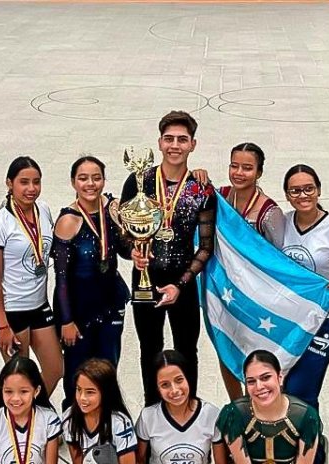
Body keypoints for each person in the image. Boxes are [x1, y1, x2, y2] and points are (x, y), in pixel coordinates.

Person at [124, 110, 217, 406]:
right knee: (149, 349)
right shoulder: (139, 181)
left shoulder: (201, 188)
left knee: (187, 350)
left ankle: (189, 410)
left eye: (182, 139)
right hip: (144, 279)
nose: (175, 145)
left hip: (183, 282)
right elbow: (124, 233)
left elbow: (206, 247)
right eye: (169, 139)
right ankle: (152, 411)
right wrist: (133, 251)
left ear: (193, 144)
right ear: (160, 143)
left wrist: (180, 284)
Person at [278, 165, 329, 464]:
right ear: (287, 195)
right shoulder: (281, 223)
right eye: (295, 190)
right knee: (285, 387)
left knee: (303, 389)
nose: (303, 195)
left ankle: (313, 453)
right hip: (290, 320)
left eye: (308, 188)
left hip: (326, 321)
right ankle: (294, 446)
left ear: (319, 190)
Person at [0, 157, 63, 396]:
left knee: (56, 368)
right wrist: (2, 324)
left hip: (39, 305)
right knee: (19, 380)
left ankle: (35, 409)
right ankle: (16, 415)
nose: (31, 189)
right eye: (24, 182)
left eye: (36, 182)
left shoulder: (43, 210)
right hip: (11, 310)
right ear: (10, 183)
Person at [53, 156, 129, 405]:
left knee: (107, 368)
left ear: (104, 180)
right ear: (73, 182)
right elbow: (61, 278)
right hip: (79, 311)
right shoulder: (68, 221)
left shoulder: (112, 209)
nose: (90, 184)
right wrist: (66, 321)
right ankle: (74, 418)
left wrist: (137, 247)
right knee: (78, 372)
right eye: (83, 178)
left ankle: (107, 419)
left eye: (96, 178)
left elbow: (125, 250)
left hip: (110, 305)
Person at [217, 142, 286, 401]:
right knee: (226, 349)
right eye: (234, 166)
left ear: (259, 172)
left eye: (247, 168)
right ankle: (238, 405)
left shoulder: (270, 212)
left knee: (256, 358)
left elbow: (279, 261)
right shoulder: (220, 197)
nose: (238, 173)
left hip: (258, 301)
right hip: (226, 294)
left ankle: (258, 406)